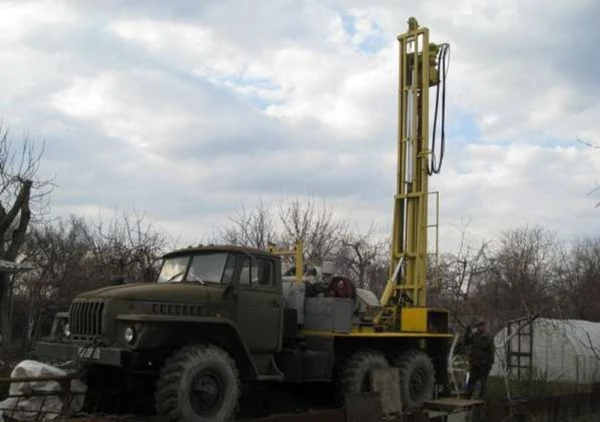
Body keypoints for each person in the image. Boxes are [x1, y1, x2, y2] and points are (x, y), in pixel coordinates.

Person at [464, 320, 495, 399]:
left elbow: (491, 350)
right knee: (472, 380)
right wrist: (467, 332)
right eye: (479, 327)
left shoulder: (487, 337)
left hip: (484, 363)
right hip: (475, 362)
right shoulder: (474, 335)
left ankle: (482, 397)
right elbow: (467, 342)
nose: (481, 328)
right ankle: (467, 395)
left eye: (482, 326)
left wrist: (490, 363)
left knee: (483, 381)